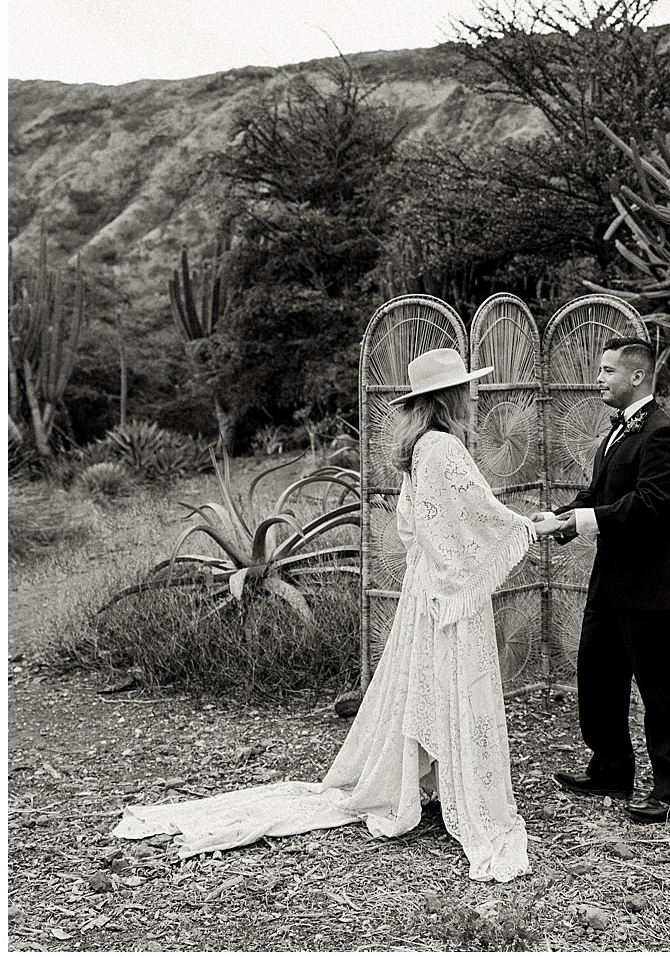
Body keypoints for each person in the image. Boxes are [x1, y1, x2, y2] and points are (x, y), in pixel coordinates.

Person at [115, 348, 563, 882]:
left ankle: (438, 777)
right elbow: (480, 518)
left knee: (434, 681)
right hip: (448, 595)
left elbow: (416, 529)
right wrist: (530, 526)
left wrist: (488, 536)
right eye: (464, 389)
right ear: (450, 397)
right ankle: (462, 787)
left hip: (431, 589)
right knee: (457, 681)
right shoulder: (444, 448)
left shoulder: (421, 448)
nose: (470, 397)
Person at [545, 337, 670, 824]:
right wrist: (556, 519)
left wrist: (585, 521)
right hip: (611, 581)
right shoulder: (617, 431)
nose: (599, 378)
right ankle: (611, 769)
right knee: (597, 676)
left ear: (637, 377)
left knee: (662, 688)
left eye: (608, 371)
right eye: (600, 369)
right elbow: (598, 494)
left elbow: (653, 505)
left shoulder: (663, 434)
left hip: (653, 586)